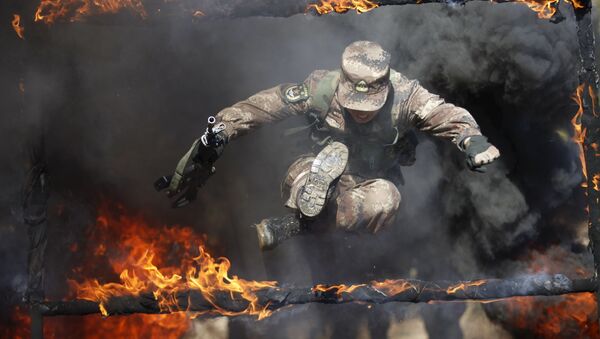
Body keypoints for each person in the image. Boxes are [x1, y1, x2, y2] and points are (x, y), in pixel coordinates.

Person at [162, 41, 500, 251]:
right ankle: (316, 195)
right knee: (307, 183)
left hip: (371, 179)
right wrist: (220, 131)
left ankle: (304, 223)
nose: (360, 113)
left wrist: (471, 138)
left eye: (369, 107)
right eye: (353, 104)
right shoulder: (320, 88)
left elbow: (443, 113)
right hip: (311, 167)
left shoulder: (405, 96)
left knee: (385, 201)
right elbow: (260, 107)